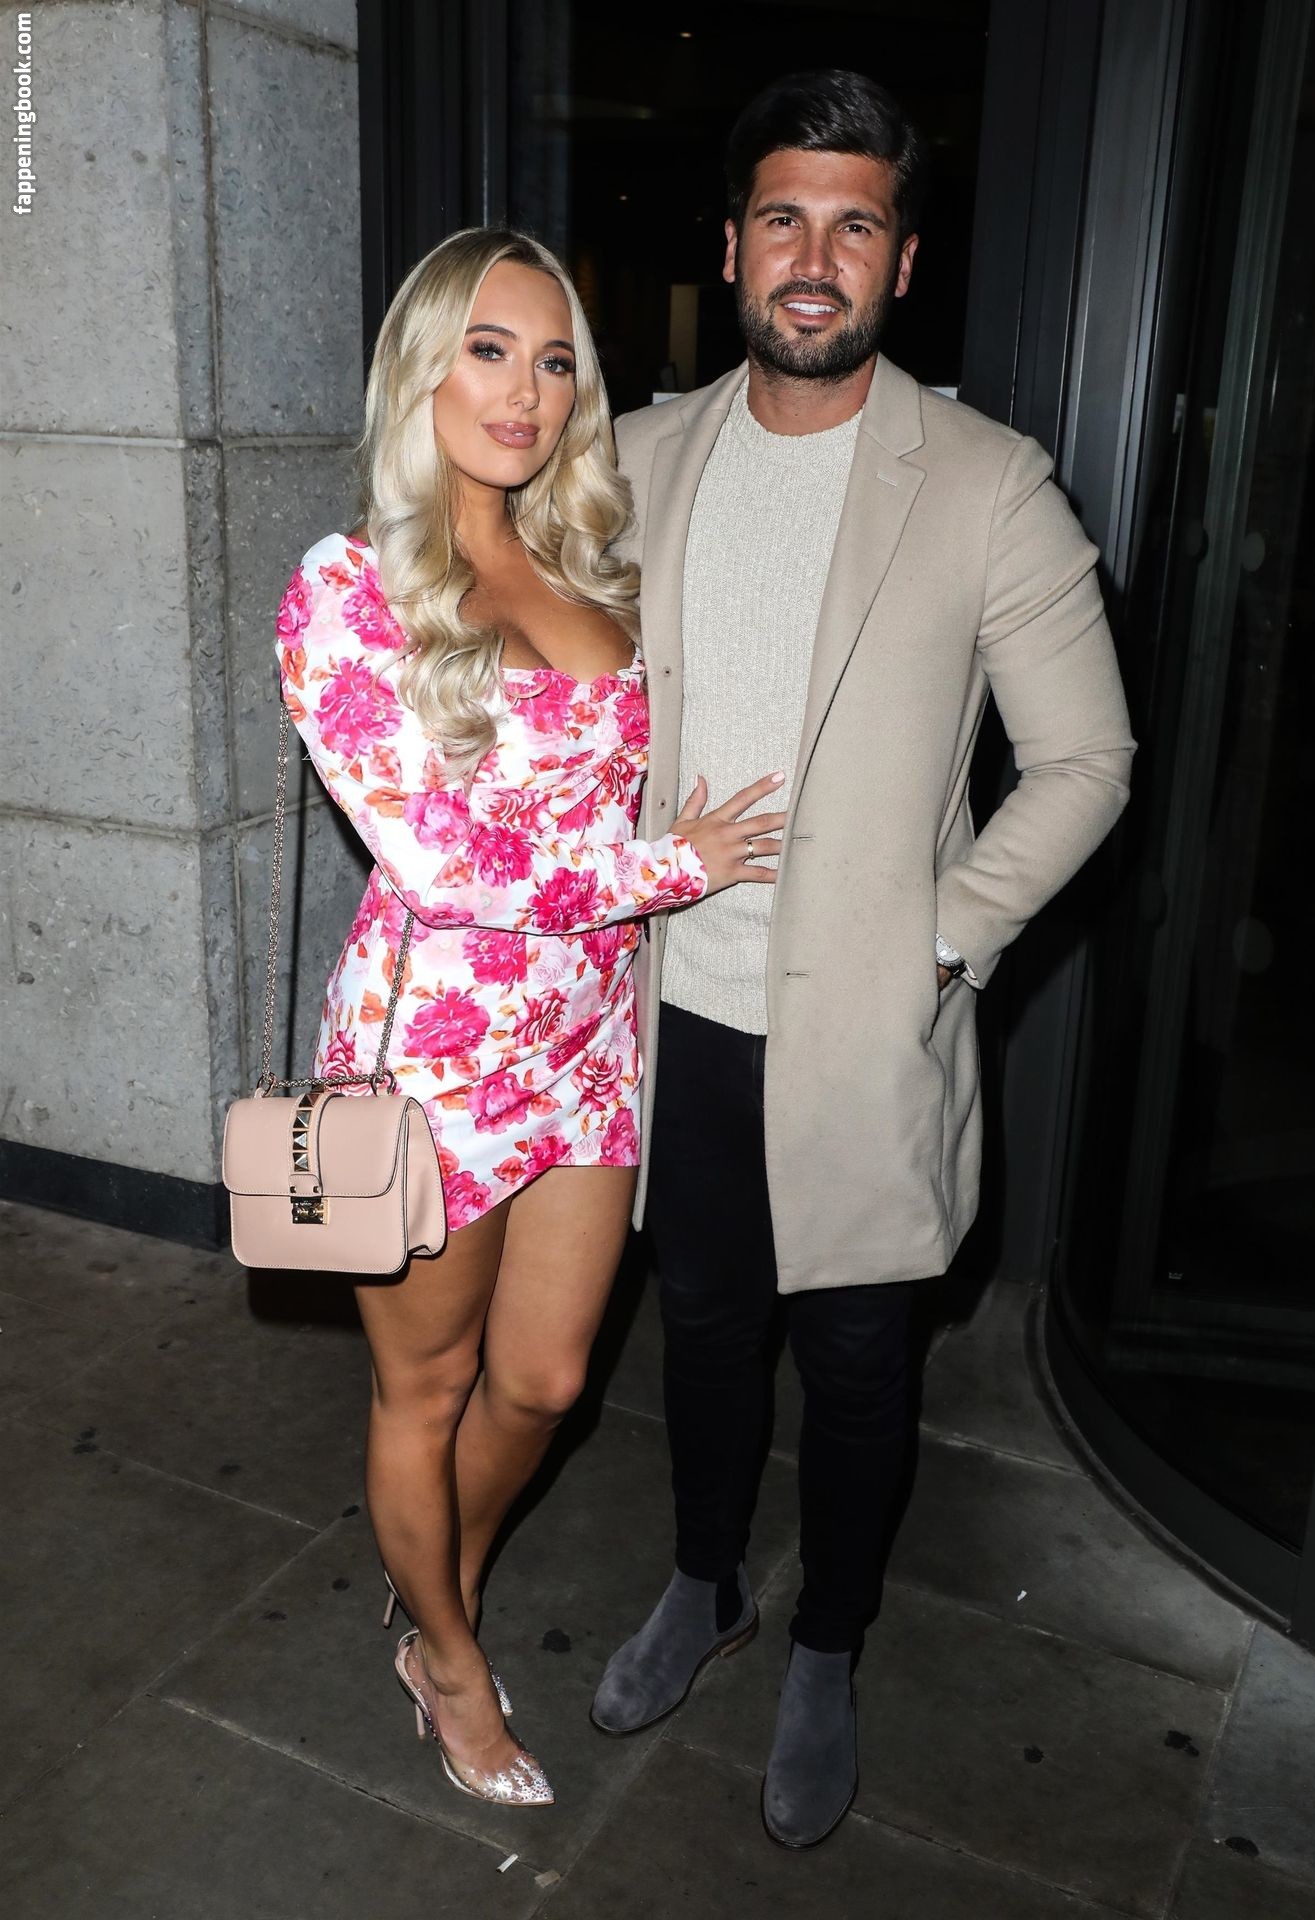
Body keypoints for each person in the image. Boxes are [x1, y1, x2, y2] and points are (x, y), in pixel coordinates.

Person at [589, 70, 1137, 1848]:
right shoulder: (636, 457)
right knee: (697, 1326)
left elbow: (1085, 760)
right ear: (730, 242)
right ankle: (703, 1583)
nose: (811, 257)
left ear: (901, 262)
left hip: (862, 1033)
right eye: (782, 218)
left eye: (853, 224)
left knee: (852, 1365)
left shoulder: (984, 484)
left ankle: (828, 1635)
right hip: (671, 1015)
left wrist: (945, 937)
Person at [274, 228, 784, 1809]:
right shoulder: (345, 587)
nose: (525, 390)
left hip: (586, 1042)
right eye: (488, 350)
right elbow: (443, 860)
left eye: (555, 359)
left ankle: (439, 1586)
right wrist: (671, 867)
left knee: (549, 1382)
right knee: (423, 1391)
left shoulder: (587, 567)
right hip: (429, 1061)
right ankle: (448, 1655)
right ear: (420, 369)